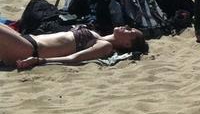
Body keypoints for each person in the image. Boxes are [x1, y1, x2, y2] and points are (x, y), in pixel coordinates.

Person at [1, 22, 147, 69]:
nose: (126, 27)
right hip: (25, 40)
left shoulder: (105, 46)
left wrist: (39, 61)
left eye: (130, 31)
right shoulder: (99, 35)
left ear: (127, 43)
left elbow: (74, 58)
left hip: (29, 49)